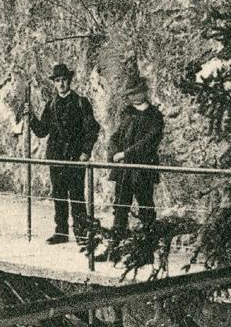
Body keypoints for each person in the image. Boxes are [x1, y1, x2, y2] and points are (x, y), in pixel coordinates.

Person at [26, 63, 100, 245]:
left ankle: (81, 233)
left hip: (75, 157)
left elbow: (92, 129)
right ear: (54, 83)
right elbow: (42, 131)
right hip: (56, 157)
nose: (61, 84)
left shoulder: (81, 103)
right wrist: (31, 118)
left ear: (70, 81)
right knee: (59, 195)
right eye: (58, 80)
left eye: (64, 80)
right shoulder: (51, 105)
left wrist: (86, 151)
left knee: (77, 195)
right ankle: (61, 232)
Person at [96, 64, 164, 261]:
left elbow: (149, 142)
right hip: (125, 170)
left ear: (144, 92)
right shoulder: (127, 113)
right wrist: (113, 152)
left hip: (142, 169)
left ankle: (147, 252)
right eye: (130, 94)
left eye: (136, 92)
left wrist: (125, 154)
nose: (133, 97)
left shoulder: (154, 116)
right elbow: (116, 135)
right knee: (120, 208)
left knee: (146, 208)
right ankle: (114, 249)